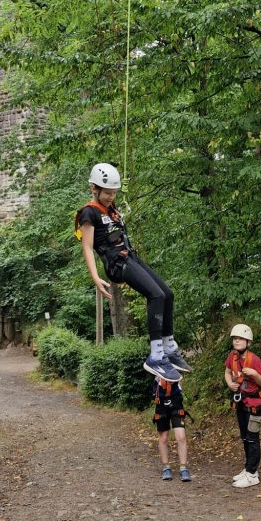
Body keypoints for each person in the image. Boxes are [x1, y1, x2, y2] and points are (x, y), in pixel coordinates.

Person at [76, 162, 189, 382]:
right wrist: (95, 277)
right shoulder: (89, 213)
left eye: (114, 192)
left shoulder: (112, 209)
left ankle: (168, 347)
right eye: (107, 193)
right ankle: (156, 356)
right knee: (155, 295)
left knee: (167, 294)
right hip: (116, 264)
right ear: (94, 189)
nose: (111, 197)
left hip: (129, 257)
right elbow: (87, 247)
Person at [224, 323, 261, 488]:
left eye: (240, 338)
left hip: (255, 405)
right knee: (244, 437)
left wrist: (254, 374)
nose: (237, 341)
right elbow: (227, 372)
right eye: (235, 338)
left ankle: (252, 474)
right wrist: (230, 384)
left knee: (252, 438)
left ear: (248, 342)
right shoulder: (232, 357)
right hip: (240, 403)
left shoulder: (254, 360)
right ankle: (248, 467)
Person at [153, 377, 191, 482]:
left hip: (176, 404)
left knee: (181, 437)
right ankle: (166, 467)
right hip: (161, 406)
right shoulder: (157, 370)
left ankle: (183, 468)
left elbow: (181, 379)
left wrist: (174, 379)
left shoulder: (176, 371)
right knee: (163, 437)